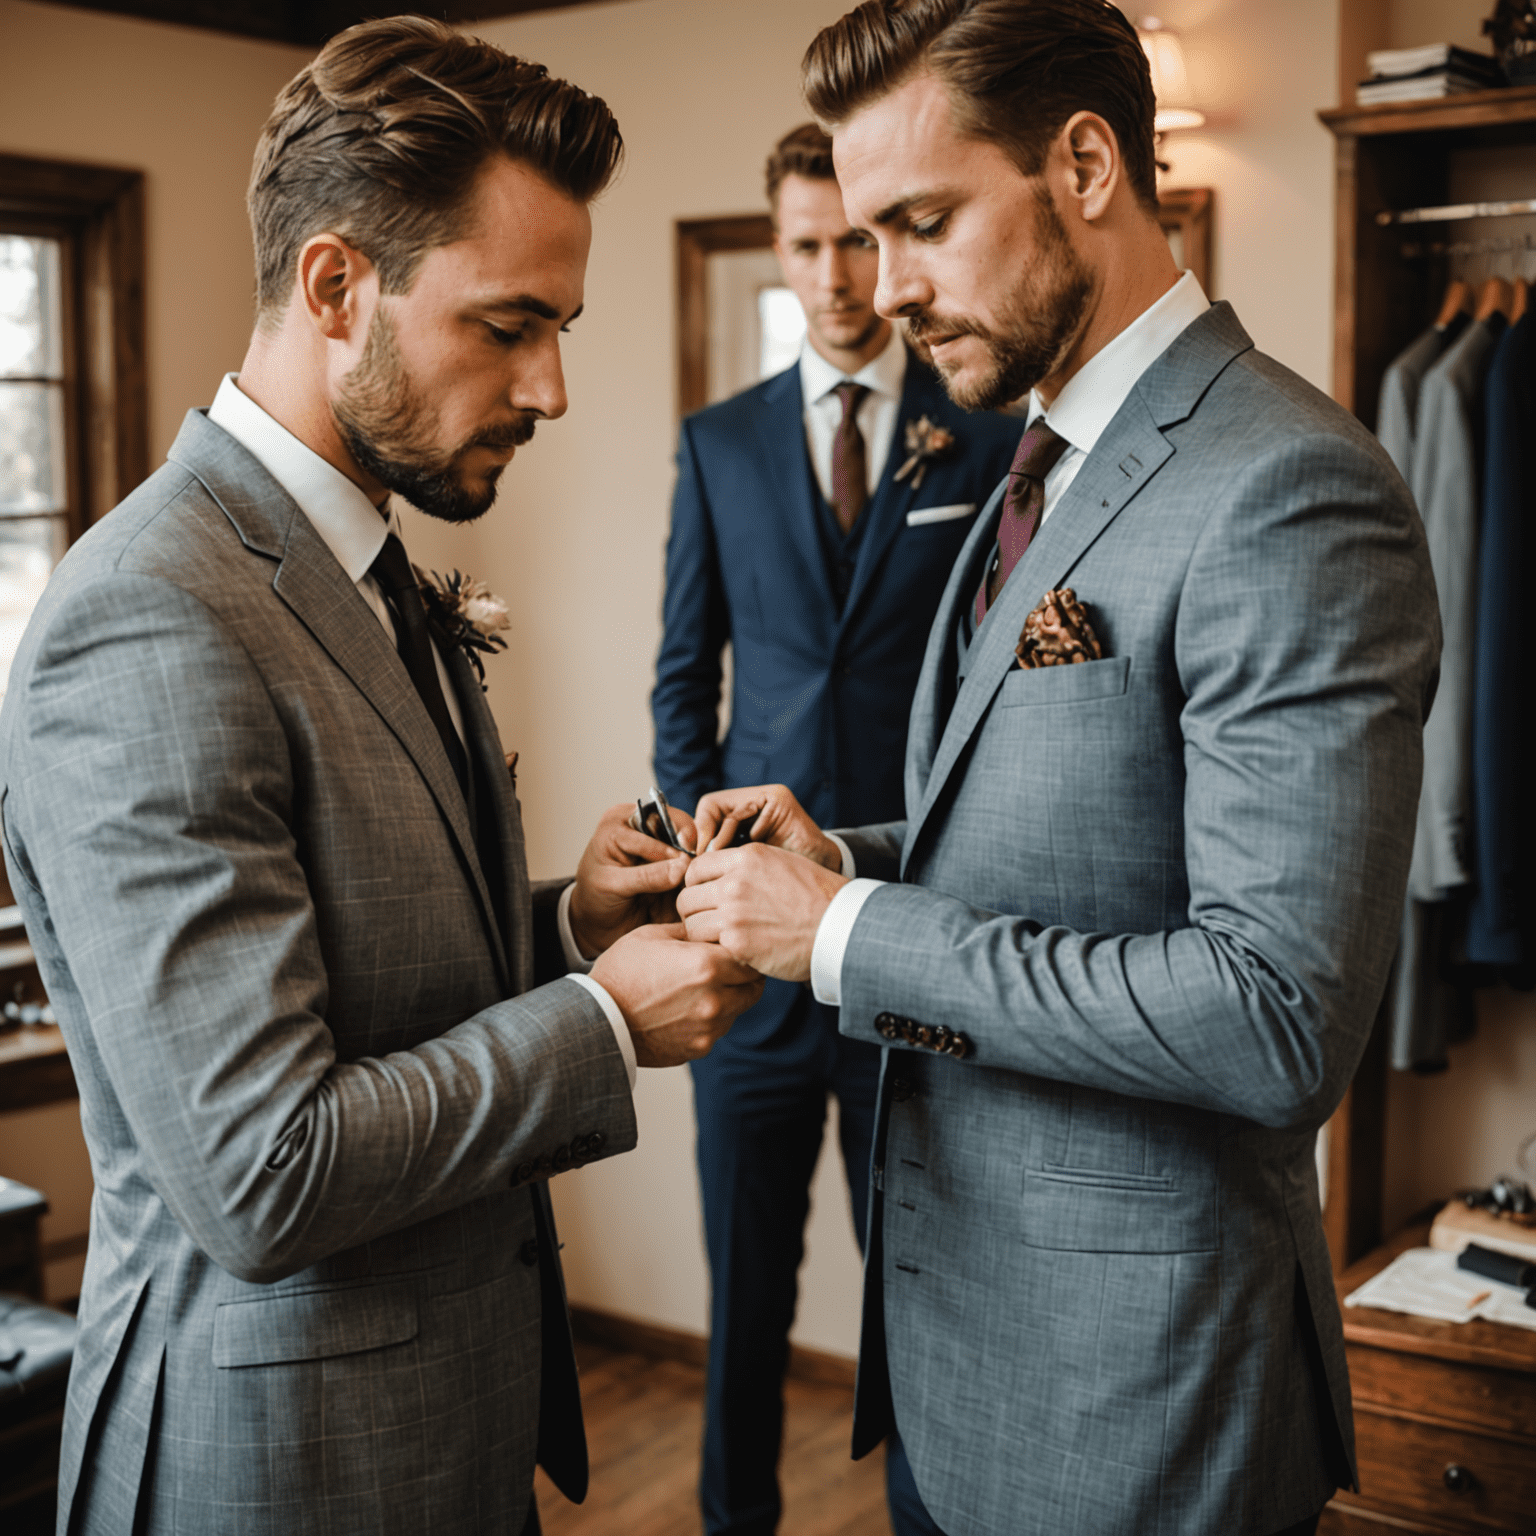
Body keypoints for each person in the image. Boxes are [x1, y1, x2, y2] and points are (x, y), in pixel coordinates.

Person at [675, 3, 1440, 1534]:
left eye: (924, 223)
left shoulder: (1288, 489)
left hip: (1138, 1400)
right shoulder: (1036, 458)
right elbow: (1049, 831)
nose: (883, 289)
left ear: (1085, 161)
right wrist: (854, 860)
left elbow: (1274, 1017)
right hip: (956, 1364)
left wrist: (838, 940)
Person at [0, 19, 761, 1536]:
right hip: (277, 1460)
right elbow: (266, 1171)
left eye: (567, 326)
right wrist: (603, 1025)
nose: (554, 387)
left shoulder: (368, 563)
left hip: (441, 1424)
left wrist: (565, 930)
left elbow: (348, 960)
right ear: (337, 286)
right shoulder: (148, 615)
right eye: (508, 324)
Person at [652, 122, 1018, 1536]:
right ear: (777, 248)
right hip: (746, 971)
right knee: (743, 1299)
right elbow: (687, 677)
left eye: (856, 242)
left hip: (901, 946)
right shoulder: (721, 443)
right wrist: (704, 871)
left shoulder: (983, 440)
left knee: (918, 1296)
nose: (835, 275)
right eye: (804, 245)